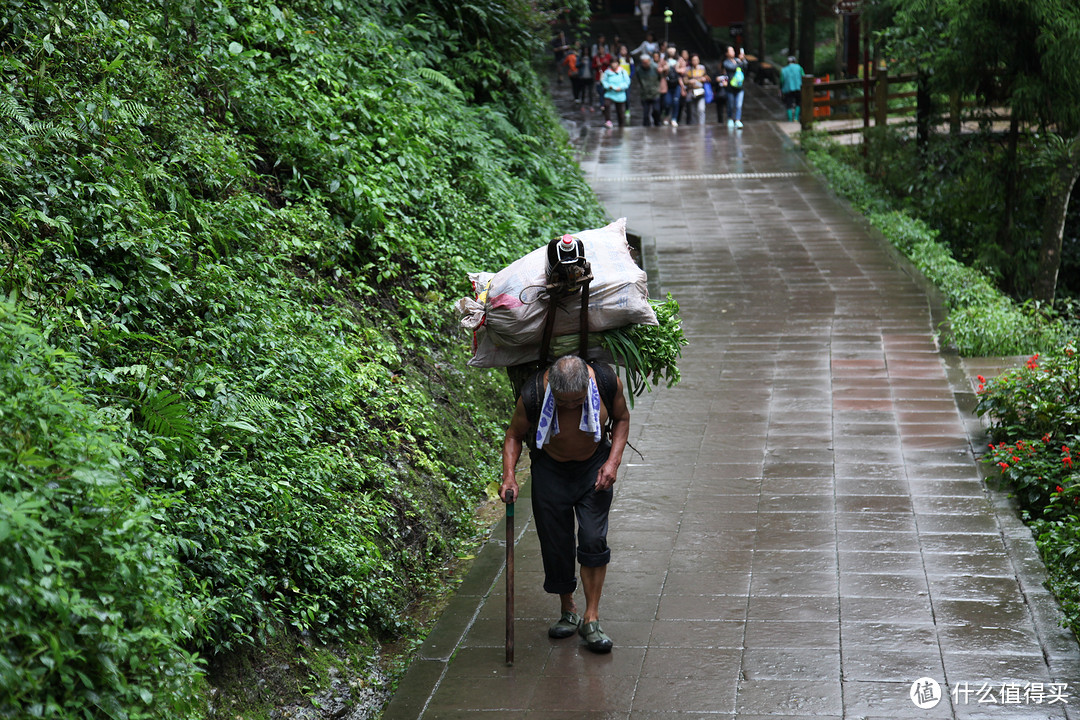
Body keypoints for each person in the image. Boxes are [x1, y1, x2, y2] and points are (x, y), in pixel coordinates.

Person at [500, 355, 630, 654]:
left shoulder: (607, 381)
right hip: (550, 470)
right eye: (563, 402)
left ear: (588, 385)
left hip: (594, 467)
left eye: (578, 401)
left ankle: (592, 617)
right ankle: (568, 608)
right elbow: (514, 435)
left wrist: (613, 463)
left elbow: (622, 419)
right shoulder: (534, 393)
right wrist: (509, 477)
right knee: (556, 544)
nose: (571, 407)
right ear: (552, 389)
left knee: (593, 539)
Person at [600, 56, 631, 128]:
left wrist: (621, 87)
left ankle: (621, 126)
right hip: (610, 93)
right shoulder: (607, 72)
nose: (614, 65)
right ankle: (608, 121)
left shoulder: (623, 72)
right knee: (606, 104)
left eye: (615, 63)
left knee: (620, 112)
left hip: (620, 94)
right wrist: (608, 86)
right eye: (612, 63)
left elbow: (627, 82)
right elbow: (604, 81)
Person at [723, 45, 749, 128]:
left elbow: (745, 66)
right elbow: (732, 68)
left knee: (739, 105)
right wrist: (740, 62)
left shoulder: (737, 60)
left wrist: (743, 59)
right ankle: (730, 118)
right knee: (730, 104)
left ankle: (738, 120)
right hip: (730, 88)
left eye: (733, 50)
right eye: (730, 51)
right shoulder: (726, 62)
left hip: (739, 87)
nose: (732, 52)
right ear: (726, 53)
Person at [634, 53, 662, 126]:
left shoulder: (655, 67)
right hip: (645, 93)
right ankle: (646, 126)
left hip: (655, 92)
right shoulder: (639, 70)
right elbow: (639, 80)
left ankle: (657, 122)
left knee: (656, 110)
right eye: (644, 63)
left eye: (647, 62)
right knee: (645, 113)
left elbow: (660, 77)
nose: (646, 64)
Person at [685, 53, 711, 125]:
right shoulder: (688, 69)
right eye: (693, 60)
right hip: (691, 92)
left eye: (696, 60)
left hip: (700, 91)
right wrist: (689, 81)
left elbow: (707, 77)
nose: (695, 61)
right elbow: (685, 80)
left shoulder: (702, 68)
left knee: (701, 109)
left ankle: (701, 125)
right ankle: (693, 126)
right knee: (692, 111)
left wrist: (704, 79)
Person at [780, 54, 805, 122]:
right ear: (795, 61)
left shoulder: (783, 70)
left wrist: (781, 89)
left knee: (788, 104)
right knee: (798, 103)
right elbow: (804, 77)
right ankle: (796, 118)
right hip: (798, 88)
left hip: (788, 89)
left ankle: (790, 119)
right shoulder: (799, 67)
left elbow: (782, 81)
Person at [661, 45, 681, 126]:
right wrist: (665, 68)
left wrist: (678, 69)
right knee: (667, 102)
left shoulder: (679, 59)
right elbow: (659, 69)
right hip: (667, 84)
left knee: (676, 102)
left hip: (677, 83)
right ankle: (666, 115)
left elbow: (684, 70)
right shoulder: (664, 60)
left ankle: (674, 118)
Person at [592, 45, 613, 111]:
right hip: (599, 76)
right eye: (600, 49)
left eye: (602, 49)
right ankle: (602, 104)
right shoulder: (596, 58)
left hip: (607, 76)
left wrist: (607, 63)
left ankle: (606, 103)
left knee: (607, 91)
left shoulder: (608, 56)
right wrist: (597, 65)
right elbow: (592, 66)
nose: (601, 51)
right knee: (600, 91)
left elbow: (613, 64)